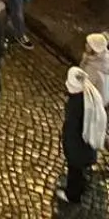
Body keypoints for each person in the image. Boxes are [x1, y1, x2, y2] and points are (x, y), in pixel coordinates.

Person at [61, 65, 106, 205]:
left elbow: (72, 130)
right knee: (78, 170)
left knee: (74, 171)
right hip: (86, 146)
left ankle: (72, 195)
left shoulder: (76, 103)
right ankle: (80, 186)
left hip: (78, 148)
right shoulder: (88, 94)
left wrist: (67, 148)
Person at [81, 33, 109, 107]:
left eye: (88, 44)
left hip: (95, 103)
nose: (86, 45)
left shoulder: (92, 69)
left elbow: (83, 87)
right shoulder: (105, 57)